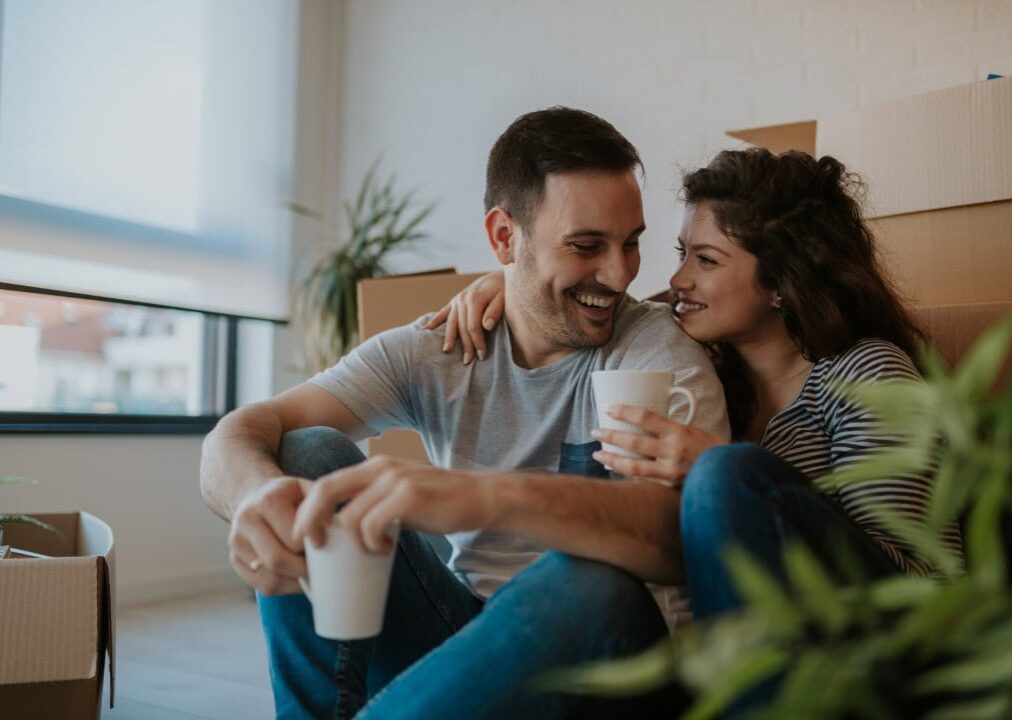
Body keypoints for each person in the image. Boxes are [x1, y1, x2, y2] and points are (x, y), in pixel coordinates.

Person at [200, 106, 729, 720]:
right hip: (461, 633)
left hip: (601, 659)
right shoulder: (438, 347)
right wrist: (253, 499)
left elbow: (681, 540)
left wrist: (485, 494)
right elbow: (240, 432)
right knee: (305, 454)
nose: (618, 274)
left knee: (592, 586)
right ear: (504, 237)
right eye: (587, 246)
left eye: (631, 243)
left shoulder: (654, 352)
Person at [431, 147, 964, 706]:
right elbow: (591, 302)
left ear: (782, 278)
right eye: (682, 253)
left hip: (856, 674)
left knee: (726, 473)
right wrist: (506, 281)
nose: (678, 278)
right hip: (711, 662)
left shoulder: (866, 373)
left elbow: (924, 590)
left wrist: (730, 480)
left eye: (706, 261)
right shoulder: (702, 357)